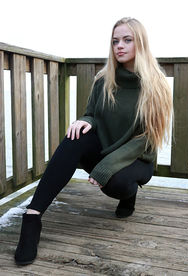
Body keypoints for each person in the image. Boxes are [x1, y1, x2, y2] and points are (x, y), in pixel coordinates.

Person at [14, 17, 173, 265]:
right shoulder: (104, 79)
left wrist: (105, 167)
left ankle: (129, 196)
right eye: (115, 41)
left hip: (137, 157)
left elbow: (147, 138)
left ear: (140, 43)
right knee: (75, 136)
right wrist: (84, 121)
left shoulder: (156, 84)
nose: (119, 46)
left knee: (116, 182)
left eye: (127, 40)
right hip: (108, 147)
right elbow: (93, 114)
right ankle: (32, 217)